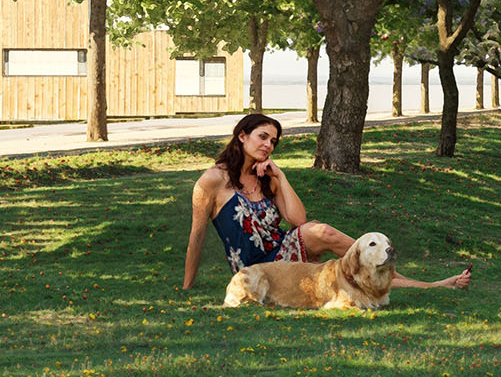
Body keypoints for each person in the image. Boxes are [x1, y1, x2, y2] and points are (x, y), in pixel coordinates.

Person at [181, 112, 472, 292]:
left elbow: (298, 221)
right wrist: (187, 287)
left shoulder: (267, 176)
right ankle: (417, 284)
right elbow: (196, 235)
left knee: (321, 232)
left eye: (274, 141)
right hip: (254, 270)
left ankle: (415, 283)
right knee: (334, 256)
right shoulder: (213, 180)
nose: (268, 145)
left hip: (285, 256)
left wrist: (280, 175)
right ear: (242, 136)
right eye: (263, 137)